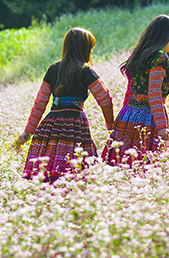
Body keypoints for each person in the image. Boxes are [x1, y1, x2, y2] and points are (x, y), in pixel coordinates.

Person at [18, 27, 114, 183]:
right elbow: (105, 98)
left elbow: (40, 104)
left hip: (50, 126)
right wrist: (110, 124)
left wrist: (27, 132)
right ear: (85, 49)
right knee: (74, 173)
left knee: (49, 174)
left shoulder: (53, 69)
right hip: (74, 125)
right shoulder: (86, 71)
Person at [102, 14, 169, 166]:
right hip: (148, 118)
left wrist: (120, 120)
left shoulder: (138, 55)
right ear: (165, 34)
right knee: (147, 166)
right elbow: (154, 96)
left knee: (123, 165)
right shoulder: (160, 58)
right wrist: (162, 128)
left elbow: (130, 91)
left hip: (128, 115)